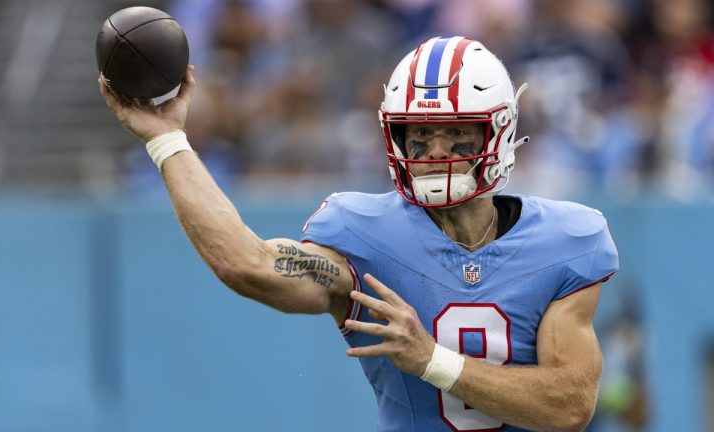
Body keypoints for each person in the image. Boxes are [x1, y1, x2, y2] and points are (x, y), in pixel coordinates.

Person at [99, 35, 619, 432]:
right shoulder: (364, 236)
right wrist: (168, 140)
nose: (436, 150)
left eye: (458, 131)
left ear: (498, 131)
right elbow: (247, 263)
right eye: (418, 133)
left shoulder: (566, 241)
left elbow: (570, 404)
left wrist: (432, 360)